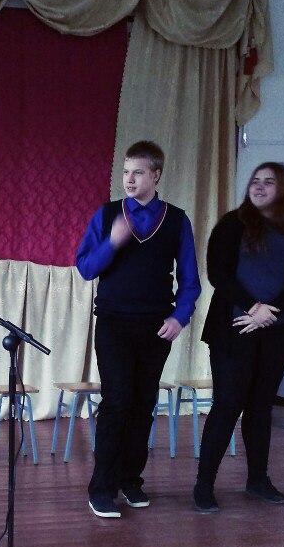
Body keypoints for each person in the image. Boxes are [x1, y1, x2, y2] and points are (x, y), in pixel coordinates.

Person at [76, 140, 201, 518]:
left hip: (155, 328)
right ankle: (101, 487)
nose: (129, 180)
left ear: (156, 175)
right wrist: (112, 243)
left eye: (138, 173)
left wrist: (179, 317)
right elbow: (85, 268)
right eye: (126, 172)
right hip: (113, 323)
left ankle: (130, 480)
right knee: (116, 402)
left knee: (144, 404)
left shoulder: (176, 220)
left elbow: (190, 279)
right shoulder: (107, 215)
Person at [193, 163, 284, 512]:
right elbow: (218, 273)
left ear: (283, 188)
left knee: (261, 407)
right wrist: (253, 307)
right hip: (233, 330)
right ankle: (204, 485)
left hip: (276, 331)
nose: (259, 187)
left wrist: (268, 312)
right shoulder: (232, 224)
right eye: (255, 181)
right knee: (228, 404)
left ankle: (258, 480)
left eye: (268, 182)